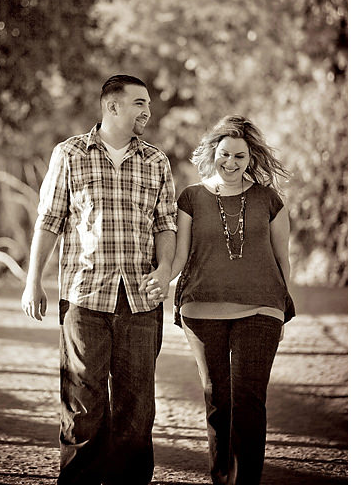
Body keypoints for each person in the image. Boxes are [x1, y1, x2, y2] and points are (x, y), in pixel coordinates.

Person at [21, 74, 177, 484]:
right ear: (112, 107)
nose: (148, 111)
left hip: (141, 302)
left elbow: (166, 224)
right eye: (139, 103)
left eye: (148, 104)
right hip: (84, 297)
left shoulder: (156, 161)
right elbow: (49, 221)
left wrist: (164, 269)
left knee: (137, 409)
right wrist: (32, 280)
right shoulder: (69, 153)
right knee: (82, 407)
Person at [143, 115, 292, 484]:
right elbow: (181, 255)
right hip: (201, 308)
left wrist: (282, 310)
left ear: (250, 158)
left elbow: (282, 257)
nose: (231, 163)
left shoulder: (269, 199)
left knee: (249, 400)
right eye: (225, 154)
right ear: (212, 153)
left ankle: (247, 481)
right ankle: (221, 477)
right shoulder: (191, 197)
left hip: (261, 307)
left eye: (240, 157)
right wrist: (163, 279)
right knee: (217, 399)